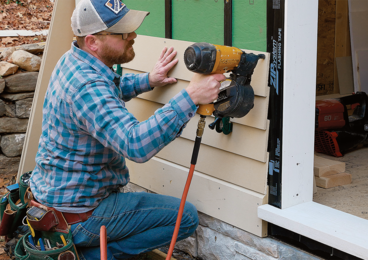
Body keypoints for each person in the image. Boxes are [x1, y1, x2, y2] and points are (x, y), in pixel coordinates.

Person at [29, 0, 226, 259]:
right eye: (122, 33)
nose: (133, 36)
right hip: (81, 215)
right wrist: (190, 96)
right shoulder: (87, 87)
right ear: (93, 42)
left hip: (55, 203)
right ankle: (90, 255)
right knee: (184, 218)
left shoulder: (74, 60)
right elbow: (136, 144)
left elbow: (106, 92)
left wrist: (148, 80)